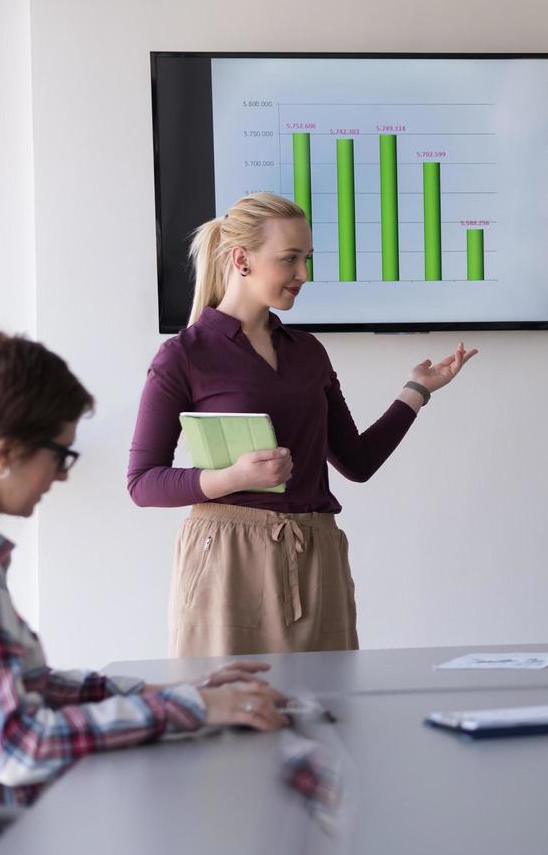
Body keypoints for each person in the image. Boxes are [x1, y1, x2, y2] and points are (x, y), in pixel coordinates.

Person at [0, 331, 289, 807]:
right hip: (11, 832)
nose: (63, 475)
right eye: (60, 455)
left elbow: (27, 683)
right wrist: (190, 709)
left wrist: (168, 691)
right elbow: (19, 745)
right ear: (4, 454)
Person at [127, 193, 477, 656]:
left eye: (306, 259)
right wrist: (233, 478)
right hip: (226, 560)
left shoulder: (308, 351)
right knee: (229, 717)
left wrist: (416, 391)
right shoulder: (185, 355)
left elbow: (357, 461)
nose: (303, 274)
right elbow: (143, 482)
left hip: (317, 553)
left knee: (329, 713)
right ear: (241, 260)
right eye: (290, 259)